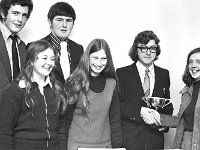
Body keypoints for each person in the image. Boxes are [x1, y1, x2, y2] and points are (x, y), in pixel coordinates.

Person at [0, 40, 68, 150]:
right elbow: (4, 133)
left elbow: (61, 130)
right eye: (44, 58)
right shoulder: (15, 90)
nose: (49, 63)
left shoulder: (58, 90)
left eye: (52, 59)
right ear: (31, 60)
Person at [116, 30, 174, 150]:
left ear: (156, 50)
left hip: (155, 141)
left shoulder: (164, 74)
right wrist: (139, 111)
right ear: (135, 50)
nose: (148, 52)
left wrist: (165, 123)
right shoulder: (122, 73)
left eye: (152, 48)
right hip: (130, 142)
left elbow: (168, 106)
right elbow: (117, 106)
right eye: (143, 48)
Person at [65, 38, 122, 149]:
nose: (99, 63)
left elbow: (115, 120)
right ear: (87, 58)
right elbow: (65, 121)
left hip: (105, 146)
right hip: (77, 146)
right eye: (95, 58)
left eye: (103, 59)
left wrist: (117, 147)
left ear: (108, 60)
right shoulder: (75, 82)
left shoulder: (112, 84)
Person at [28, 1, 83, 84]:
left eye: (68, 20)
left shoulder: (78, 49)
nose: (64, 25)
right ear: (50, 22)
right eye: (59, 20)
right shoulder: (34, 46)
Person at [156, 47, 200, 150]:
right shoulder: (187, 90)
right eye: (191, 62)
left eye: (198, 62)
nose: (193, 65)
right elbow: (180, 119)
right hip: (185, 144)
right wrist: (156, 117)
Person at [0, 0, 33, 101]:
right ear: (2, 13)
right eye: (15, 13)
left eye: (24, 15)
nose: (20, 19)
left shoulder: (22, 46)